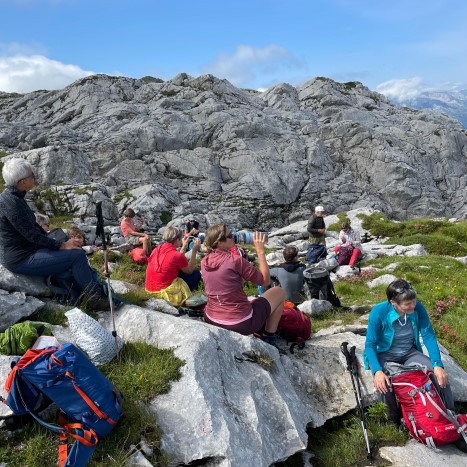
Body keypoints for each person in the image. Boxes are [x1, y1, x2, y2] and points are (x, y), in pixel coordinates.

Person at [0, 158, 108, 309]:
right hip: (21, 258)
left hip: (24, 251)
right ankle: (95, 298)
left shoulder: (12, 198)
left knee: (70, 249)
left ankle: (86, 289)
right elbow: (31, 235)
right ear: (22, 182)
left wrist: (56, 242)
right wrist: (62, 245)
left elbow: (31, 230)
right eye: (32, 176)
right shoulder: (12, 203)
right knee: (77, 256)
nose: (34, 178)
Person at [364, 279, 455, 426]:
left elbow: (428, 335)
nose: (413, 306)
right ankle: (393, 423)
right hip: (384, 355)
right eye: (407, 304)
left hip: (409, 353)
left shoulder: (418, 307)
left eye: (414, 301)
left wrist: (438, 364)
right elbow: (370, 344)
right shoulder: (379, 312)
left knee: (438, 375)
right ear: (393, 302)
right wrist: (377, 371)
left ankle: (451, 417)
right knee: (384, 385)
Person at [201, 223, 285, 348]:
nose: (233, 237)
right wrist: (260, 251)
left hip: (211, 318)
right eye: (229, 236)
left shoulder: (204, 261)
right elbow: (265, 281)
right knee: (278, 292)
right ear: (219, 243)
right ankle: (269, 337)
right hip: (240, 324)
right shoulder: (235, 260)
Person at [145, 226, 201, 306]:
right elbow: (189, 270)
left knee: (178, 270)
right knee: (196, 274)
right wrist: (194, 251)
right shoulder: (176, 255)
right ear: (177, 240)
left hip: (149, 289)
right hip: (164, 293)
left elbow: (178, 260)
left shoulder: (157, 249)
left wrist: (184, 246)